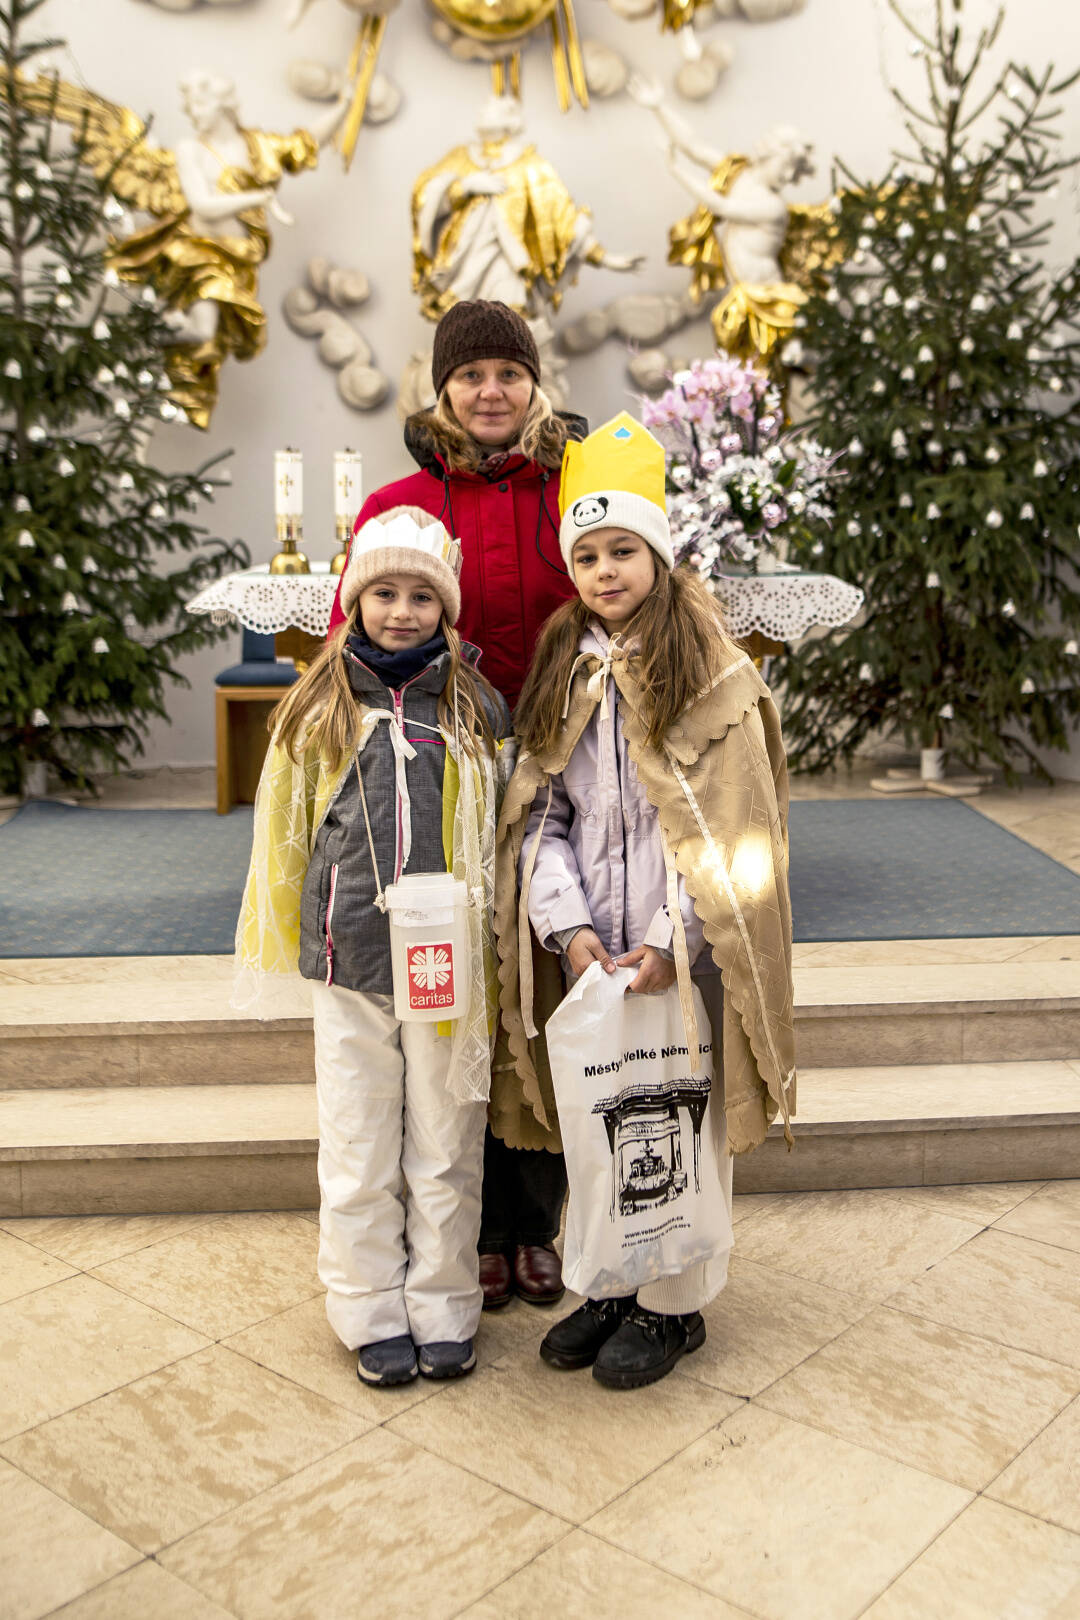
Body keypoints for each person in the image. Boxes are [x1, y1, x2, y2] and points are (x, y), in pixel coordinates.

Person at [492, 411, 797, 1389]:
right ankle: (613, 1284)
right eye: (585, 556)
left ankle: (675, 1306)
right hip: (599, 955)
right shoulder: (566, 669)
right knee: (603, 1116)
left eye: (622, 550)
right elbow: (542, 820)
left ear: (658, 555)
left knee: (683, 1120)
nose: (604, 571)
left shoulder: (710, 671)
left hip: (682, 952)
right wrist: (570, 929)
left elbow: (726, 830)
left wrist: (672, 940)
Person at [328, 298, 581, 1311]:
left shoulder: (574, 489)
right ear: (442, 388)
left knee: (539, 988)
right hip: (441, 781)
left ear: (534, 384)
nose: (490, 391)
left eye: (508, 373)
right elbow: (354, 645)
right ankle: (471, 1227)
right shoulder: (400, 503)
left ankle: (536, 1220)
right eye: (470, 374)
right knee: (461, 994)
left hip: (560, 770)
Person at [236, 506, 511, 1386]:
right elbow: (282, 830)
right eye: (384, 593)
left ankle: (443, 1303)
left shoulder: (473, 705)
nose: (401, 611)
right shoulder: (318, 704)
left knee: (446, 1138)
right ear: (356, 600)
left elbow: (501, 831)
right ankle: (366, 1306)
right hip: (348, 951)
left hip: (446, 965)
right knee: (357, 1141)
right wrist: (288, 934)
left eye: (421, 596)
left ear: (445, 608)